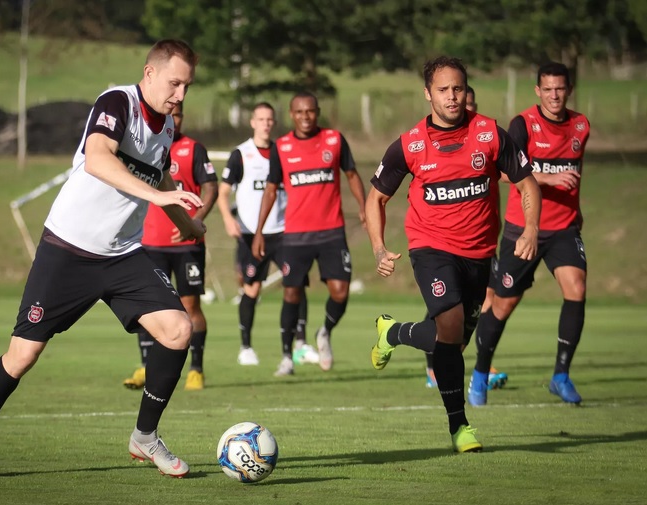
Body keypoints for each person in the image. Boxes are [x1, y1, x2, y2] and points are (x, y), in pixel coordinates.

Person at [0, 39, 204, 481]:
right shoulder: (117, 102)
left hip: (123, 255)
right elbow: (98, 159)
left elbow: (155, 173)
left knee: (179, 329)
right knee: (22, 355)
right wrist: (159, 196)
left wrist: (186, 219)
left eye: (187, 86)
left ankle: (144, 437)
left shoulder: (167, 129)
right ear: (149, 72)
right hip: (67, 249)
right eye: (174, 82)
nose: (180, 94)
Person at [365, 56, 541, 452]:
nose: (452, 96)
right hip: (430, 248)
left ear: (467, 91)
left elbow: (528, 186)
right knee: (449, 323)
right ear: (428, 94)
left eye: (458, 89)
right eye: (443, 90)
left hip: (480, 255)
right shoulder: (410, 144)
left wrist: (530, 228)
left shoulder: (490, 135)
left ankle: (392, 332)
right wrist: (378, 248)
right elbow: (375, 198)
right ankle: (460, 427)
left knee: (455, 342)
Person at [469, 62, 590, 406]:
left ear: (569, 90)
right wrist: (549, 179)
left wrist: (576, 209)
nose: (554, 95)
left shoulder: (581, 125)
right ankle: (479, 373)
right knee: (504, 304)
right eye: (548, 89)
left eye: (560, 89)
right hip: (523, 229)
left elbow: (574, 171)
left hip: (564, 227)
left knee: (576, 288)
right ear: (538, 91)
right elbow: (503, 174)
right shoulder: (523, 125)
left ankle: (561, 376)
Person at [252, 92, 366, 376]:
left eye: (310, 112)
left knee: (340, 292)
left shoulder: (334, 140)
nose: (305, 117)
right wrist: (259, 231)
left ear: (317, 112)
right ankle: (287, 357)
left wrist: (365, 208)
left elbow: (351, 175)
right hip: (296, 236)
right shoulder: (282, 147)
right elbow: (270, 189)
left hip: (331, 232)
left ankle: (324, 331)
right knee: (291, 293)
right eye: (300, 112)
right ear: (292, 115)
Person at [123, 102, 217, 391]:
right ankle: (144, 366)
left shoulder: (194, 148)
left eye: (178, 116)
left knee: (190, 306)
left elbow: (211, 187)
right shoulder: (145, 146)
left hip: (187, 245)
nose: (174, 120)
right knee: (148, 308)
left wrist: (194, 220)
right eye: (169, 116)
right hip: (150, 242)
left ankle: (196, 370)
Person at [217, 102, 318, 367]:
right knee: (251, 289)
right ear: (253, 122)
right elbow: (223, 191)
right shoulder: (241, 154)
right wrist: (229, 218)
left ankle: (301, 344)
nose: (265, 123)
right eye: (260, 119)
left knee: (296, 284)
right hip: (252, 233)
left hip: (285, 232)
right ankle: (246, 347)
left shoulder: (283, 151)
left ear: (274, 123)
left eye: (270, 119)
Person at [423, 85, 508, 392]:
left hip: (481, 238)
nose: (460, 104)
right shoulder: (435, 142)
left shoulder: (487, 136)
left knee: (481, 301)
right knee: (449, 306)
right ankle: (436, 366)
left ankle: (460, 361)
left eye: (468, 101)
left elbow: (508, 172)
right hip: (446, 241)